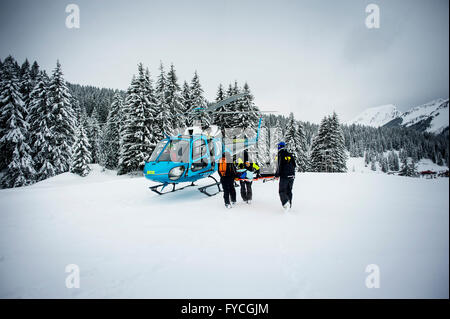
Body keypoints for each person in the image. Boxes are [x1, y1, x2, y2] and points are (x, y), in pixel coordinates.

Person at [275, 141, 296, 211]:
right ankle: (289, 204)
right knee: (289, 190)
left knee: (282, 190)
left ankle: (285, 203)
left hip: (285, 176)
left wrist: (277, 175)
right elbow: (294, 164)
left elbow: (279, 165)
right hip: (292, 175)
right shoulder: (290, 154)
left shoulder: (280, 154)